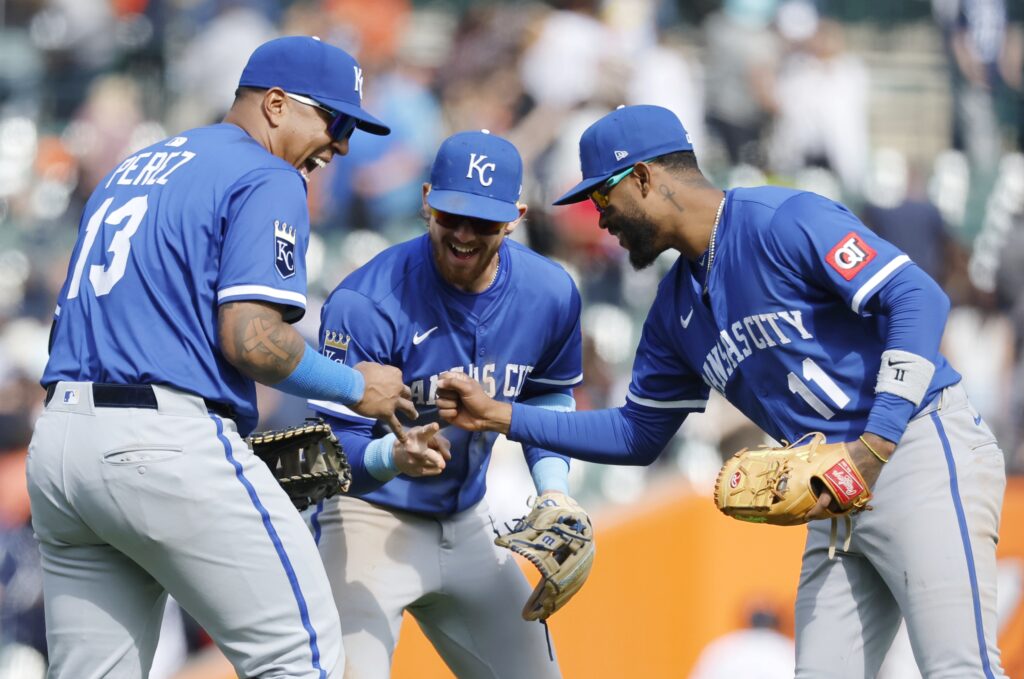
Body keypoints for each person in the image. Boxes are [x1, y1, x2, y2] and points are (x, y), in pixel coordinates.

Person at [437, 105, 1007, 678]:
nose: (600, 219)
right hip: (831, 487)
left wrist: (877, 443)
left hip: (915, 448)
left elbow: (917, 297)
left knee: (958, 669)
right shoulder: (672, 311)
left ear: (643, 178)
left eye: (602, 198)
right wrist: (500, 416)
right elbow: (636, 434)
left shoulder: (780, 218)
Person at [29, 36, 417, 679]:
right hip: (163, 443)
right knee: (304, 660)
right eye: (335, 120)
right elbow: (250, 338)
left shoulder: (134, 166)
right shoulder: (266, 172)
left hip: (63, 446)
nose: (343, 144)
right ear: (274, 104)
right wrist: (354, 387)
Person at [305, 130, 583, 678]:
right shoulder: (367, 300)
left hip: (469, 521)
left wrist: (555, 492)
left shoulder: (549, 291)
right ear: (426, 199)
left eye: (481, 220)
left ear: (515, 216)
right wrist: (392, 458)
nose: (462, 233)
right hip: (369, 519)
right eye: (451, 214)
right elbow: (332, 452)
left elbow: (547, 391)